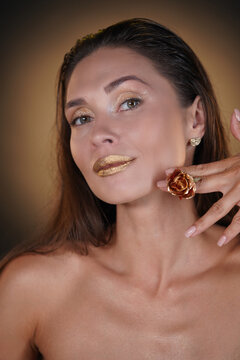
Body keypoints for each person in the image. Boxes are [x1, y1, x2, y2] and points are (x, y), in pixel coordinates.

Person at [0, 17, 240, 359]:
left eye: (129, 102)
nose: (98, 135)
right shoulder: (32, 289)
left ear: (195, 119)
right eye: (82, 118)